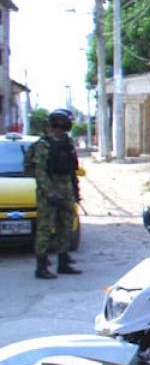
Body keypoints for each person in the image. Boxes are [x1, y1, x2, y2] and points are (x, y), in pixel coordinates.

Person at [28, 108, 82, 280]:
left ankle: (63, 262)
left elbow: (72, 170)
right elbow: (40, 173)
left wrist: (75, 190)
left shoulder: (68, 142)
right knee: (44, 228)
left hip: (66, 189)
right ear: (53, 126)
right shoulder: (42, 145)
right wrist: (50, 194)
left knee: (65, 226)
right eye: (59, 126)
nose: (60, 130)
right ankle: (41, 266)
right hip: (48, 192)